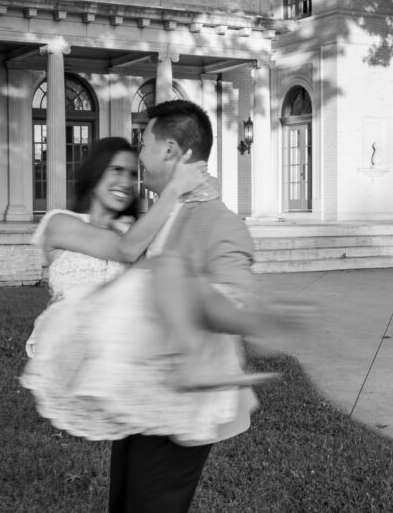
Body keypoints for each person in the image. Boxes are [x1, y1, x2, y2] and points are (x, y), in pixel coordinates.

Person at [20, 137, 278, 445]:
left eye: (133, 174)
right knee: (166, 269)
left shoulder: (135, 229)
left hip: (114, 338)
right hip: (76, 330)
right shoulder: (59, 221)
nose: (126, 182)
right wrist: (174, 188)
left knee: (179, 281)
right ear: (95, 171)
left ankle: (224, 358)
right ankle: (220, 352)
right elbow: (126, 250)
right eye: (116, 170)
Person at [109, 99, 280, 513]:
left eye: (143, 142)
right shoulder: (161, 212)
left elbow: (238, 300)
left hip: (181, 405)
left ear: (169, 149)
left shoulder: (218, 221)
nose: (139, 155)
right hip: (137, 393)